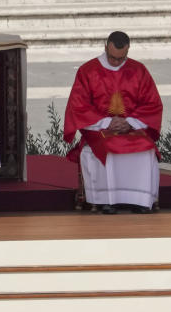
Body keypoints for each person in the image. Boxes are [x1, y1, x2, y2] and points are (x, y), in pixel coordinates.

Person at [63, 32, 162, 214]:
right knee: (108, 146)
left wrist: (130, 122)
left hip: (132, 127)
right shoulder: (88, 71)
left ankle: (140, 200)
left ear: (128, 50)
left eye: (121, 58)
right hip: (99, 127)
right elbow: (78, 107)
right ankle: (107, 201)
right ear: (105, 47)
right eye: (112, 57)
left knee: (145, 146)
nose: (116, 62)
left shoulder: (138, 70)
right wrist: (108, 122)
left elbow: (153, 104)